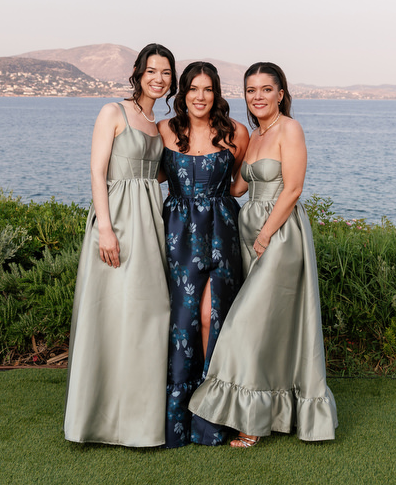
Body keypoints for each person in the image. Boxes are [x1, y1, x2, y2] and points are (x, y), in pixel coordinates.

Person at [189, 61, 338, 447]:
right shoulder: (253, 135)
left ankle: (252, 423)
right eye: (251, 90)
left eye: (266, 90)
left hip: (281, 234)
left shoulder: (290, 129)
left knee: (246, 325)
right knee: (271, 327)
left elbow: (293, 188)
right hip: (248, 230)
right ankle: (274, 410)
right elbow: (238, 187)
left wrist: (266, 234)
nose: (258, 97)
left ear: (281, 93)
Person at [64, 43, 178, 447]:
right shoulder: (113, 112)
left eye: (166, 72)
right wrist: (105, 230)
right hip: (118, 222)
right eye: (152, 71)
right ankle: (99, 419)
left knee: (149, 312)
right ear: (137, 71)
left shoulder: (158, 123)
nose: (158, 79)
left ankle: (139, 421)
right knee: (111, 314)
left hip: (150, 223)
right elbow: (97, 172)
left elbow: (159, 175)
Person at [158, 61, 249, 448]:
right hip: (177, 234)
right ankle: (176, 422)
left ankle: (212, 417)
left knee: (213, 316)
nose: (200, 96)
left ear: (216, 93)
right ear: (182, 93)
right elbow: (148, 173)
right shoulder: (164, 130)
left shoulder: (236, 133)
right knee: (182, 320)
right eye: (193, 88)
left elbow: (242, 183)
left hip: (221, 232)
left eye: (208, 89)